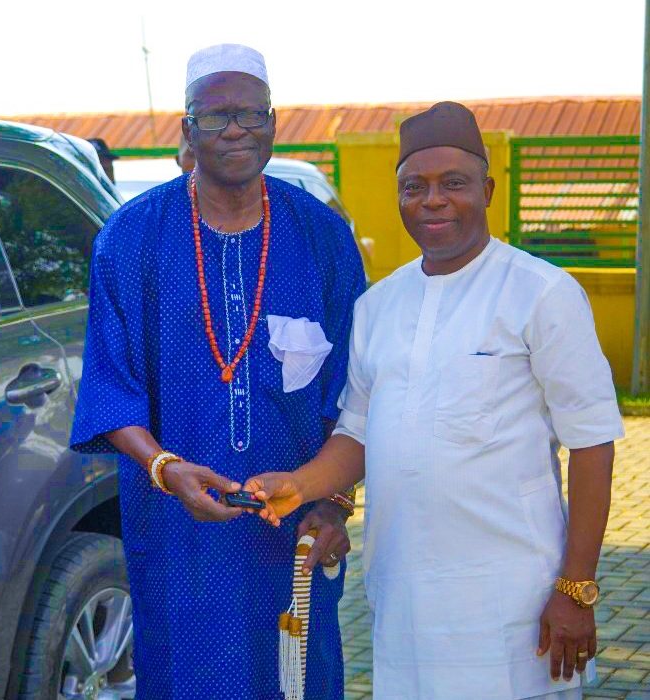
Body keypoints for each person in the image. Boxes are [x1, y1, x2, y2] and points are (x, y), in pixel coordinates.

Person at [244, 102, 623, 700]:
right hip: (406, 603)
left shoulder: (542, 293)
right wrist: (302, 484)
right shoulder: (378, 306)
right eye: (414, 186)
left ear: (487, 191)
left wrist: (576, 587)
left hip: (515, 605)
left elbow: (593, 442)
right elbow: (358, 430)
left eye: (454, 183)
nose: (433, 200)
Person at [70, 43, 365, 698]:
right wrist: (165, 469)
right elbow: (110, 389)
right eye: (216, 115)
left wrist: (334, 504)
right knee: (187, 676)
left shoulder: (322, 236)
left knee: (297, 674)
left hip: (291, 524)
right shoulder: (130, 238)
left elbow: (355, 390)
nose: (236, 129)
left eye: (251, 114)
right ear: (187, 129)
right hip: (176, 526)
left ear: (273, 123)